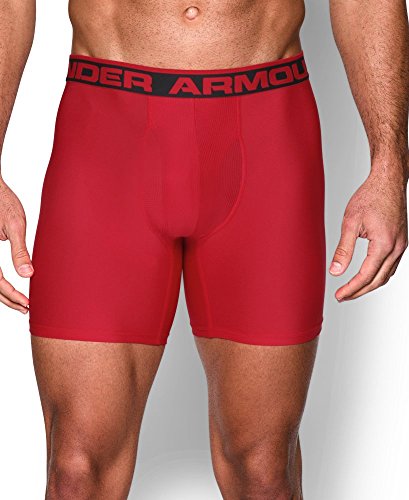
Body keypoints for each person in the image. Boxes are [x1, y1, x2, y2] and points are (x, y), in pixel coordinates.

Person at [0, 1, 408, 498]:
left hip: (265, 132)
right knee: (76, 471)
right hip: (107, 135)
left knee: (263, 473)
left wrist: (390, 166)